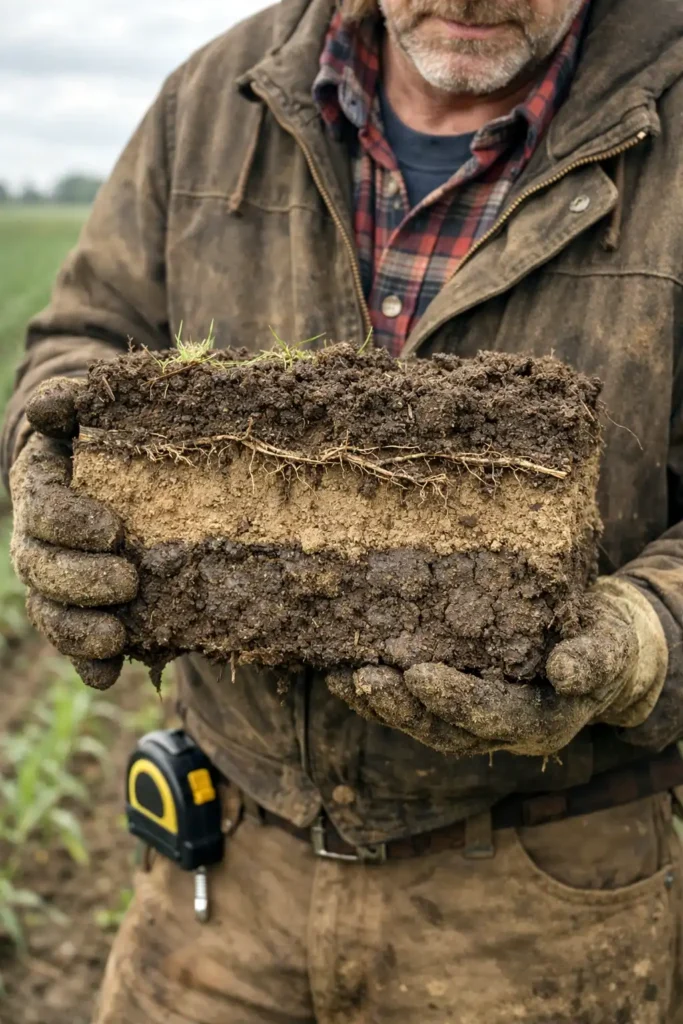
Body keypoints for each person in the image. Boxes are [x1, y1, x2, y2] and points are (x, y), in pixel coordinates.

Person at [5, 0, 683, 1019]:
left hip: (543, 894)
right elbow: (84, 336)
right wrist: (46, 461)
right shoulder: (218, 97)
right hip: (229, 872)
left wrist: (638, 636)